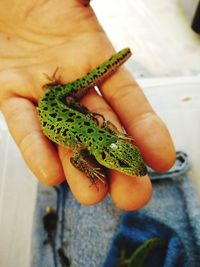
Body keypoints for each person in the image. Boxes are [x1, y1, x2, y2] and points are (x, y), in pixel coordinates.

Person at [0, 0, 175, 210]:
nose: (137, 170)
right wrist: (90, 169)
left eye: (126, 162)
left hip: (57, 98)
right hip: (54, 100)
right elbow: (76, 160)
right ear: (103, 156)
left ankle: (76, 88)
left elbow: (98, 139)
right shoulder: (85, 146)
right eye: (123, 164)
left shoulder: (99, 138)